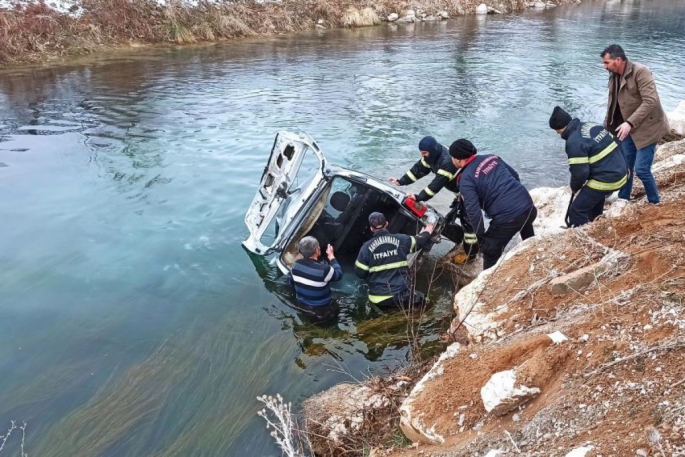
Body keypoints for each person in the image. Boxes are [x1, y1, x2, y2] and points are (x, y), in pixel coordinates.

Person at [449, 139, 537, 270]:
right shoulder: (492, 158)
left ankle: (487, 285)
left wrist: (481, 237)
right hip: (529, 207)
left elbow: (473, 212)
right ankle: (534, 255)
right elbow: (515, 176)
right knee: (524, 221)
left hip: (509, 218)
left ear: (458, 159)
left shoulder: (465, 179)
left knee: (490, 250)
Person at [388, 136, 478, 260]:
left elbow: (435, 186)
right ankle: (469, 245)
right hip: (461, 193)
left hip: (469, 194)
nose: (423, 156)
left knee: (469, 225)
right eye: (421, 153)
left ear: (432, 150)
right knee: (463, 220)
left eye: (424, 153)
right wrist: (401, 181)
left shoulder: (447, 162)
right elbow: (418, 169)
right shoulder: (432, 156)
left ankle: (472, 256)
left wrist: (418, 197)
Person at [601, 44, 670, 204]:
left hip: (648, 127)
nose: (604, 66)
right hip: (626, 128)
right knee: (626, 167)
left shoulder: (641, 71)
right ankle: (624, 199)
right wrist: (607, 126)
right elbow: (612, 104)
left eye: (606, 63)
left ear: (618, 60)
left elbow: (650, 100)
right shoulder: (614, 75)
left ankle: (655, 202)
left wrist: (629, 123)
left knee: (642, 170)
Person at [549, 106, 628, 227]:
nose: (556, 133)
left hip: (608, 179)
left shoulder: (574, 142)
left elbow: (580, 172)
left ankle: (586, 237)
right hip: (621, 172)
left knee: (576, 211)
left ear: (561, 126)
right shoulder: (592, 126)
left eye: (556, 129)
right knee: (594, 200)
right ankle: (596, 224)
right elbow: (618, 144)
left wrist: (574, 187)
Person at [354, 212, 434, 309]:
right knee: (427, 302)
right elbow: (420, 241)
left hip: (377, 299)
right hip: (401, 295)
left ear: (371, 228)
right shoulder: (402, 240)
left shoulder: (365, 248)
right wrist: (427, 231)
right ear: (387, 224)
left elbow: (360, 273)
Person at [290, 236, 343, 322]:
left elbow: (292, 282)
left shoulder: (295, 266)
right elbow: (339, 275)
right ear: (317, 250)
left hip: (302, 307)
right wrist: (331, 256)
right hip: (323, 311)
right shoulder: (325, 269)